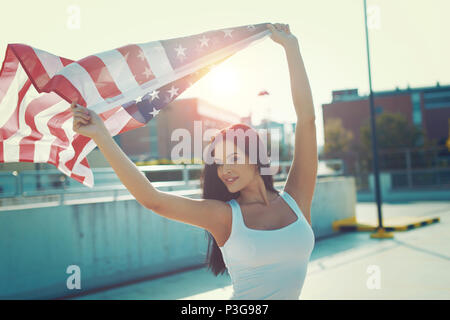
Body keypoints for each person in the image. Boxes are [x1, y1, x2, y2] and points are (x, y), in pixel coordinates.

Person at [70, 22, 318, 300]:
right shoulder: (224, 216)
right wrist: (102, 136)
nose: (224, 170)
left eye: (233, 158)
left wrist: (291, 47)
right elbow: (153, 200)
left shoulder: (296, 200)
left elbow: (307, 121)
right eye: (218, 163)